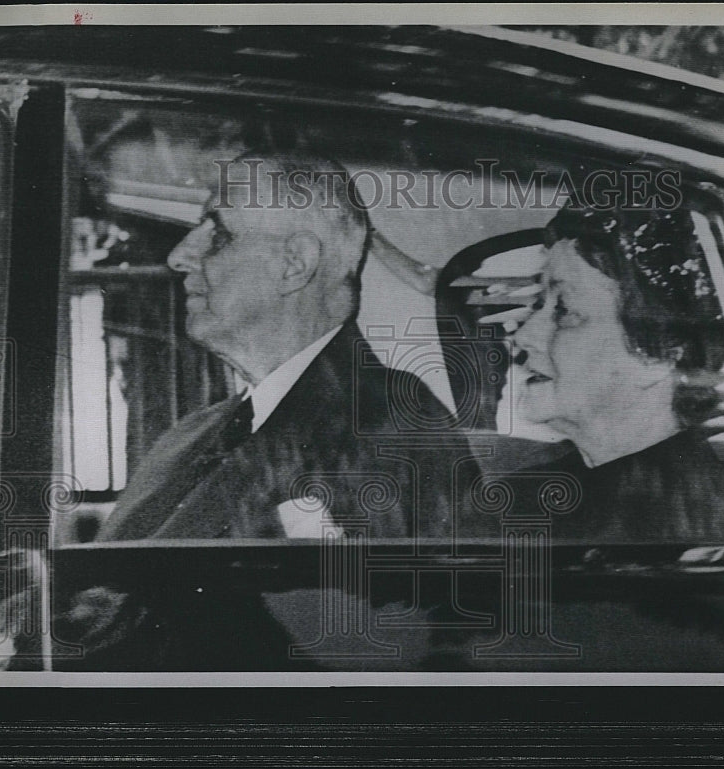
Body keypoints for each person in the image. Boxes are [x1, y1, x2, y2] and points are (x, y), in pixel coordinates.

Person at [97, 151, 459, 542]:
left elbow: (369, 601)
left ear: (295, 263)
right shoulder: (185, 437)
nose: (179, 256)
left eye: (218, 234)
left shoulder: (389, 424)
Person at [504, 205, 724, 542]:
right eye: (540, 304)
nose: (524, 336)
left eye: (566, 311)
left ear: (658, 355)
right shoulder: (537, 490)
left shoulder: (691, 528)